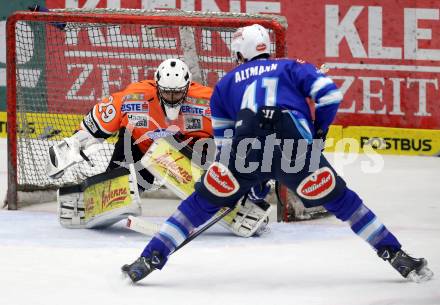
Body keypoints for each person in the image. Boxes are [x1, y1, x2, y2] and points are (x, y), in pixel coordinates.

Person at [121, 25, 434, 283]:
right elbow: (330, 96)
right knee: (343, 201)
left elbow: (226, 141)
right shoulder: (292, 66)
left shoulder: (227, 83)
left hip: (244, 144)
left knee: (201, 203)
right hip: (292, 141)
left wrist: (249, 181)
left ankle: (149, 257)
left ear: (239, 54)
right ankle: (396, 256)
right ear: (266, 48)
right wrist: (318, 132)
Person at [47, 58, 271, 235]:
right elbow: (94, 126)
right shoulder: (132, 97)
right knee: (124, 184)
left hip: (190, 153)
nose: (172, 97)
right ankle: (102, 194)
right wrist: (72, 146)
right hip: (140, 148)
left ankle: (228, 198)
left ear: (188, 86)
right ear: (156, 86)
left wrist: (249, 173)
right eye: (166, 91)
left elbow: (241, 136)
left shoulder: (207, 102)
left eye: (177, 92)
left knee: (211, 163)